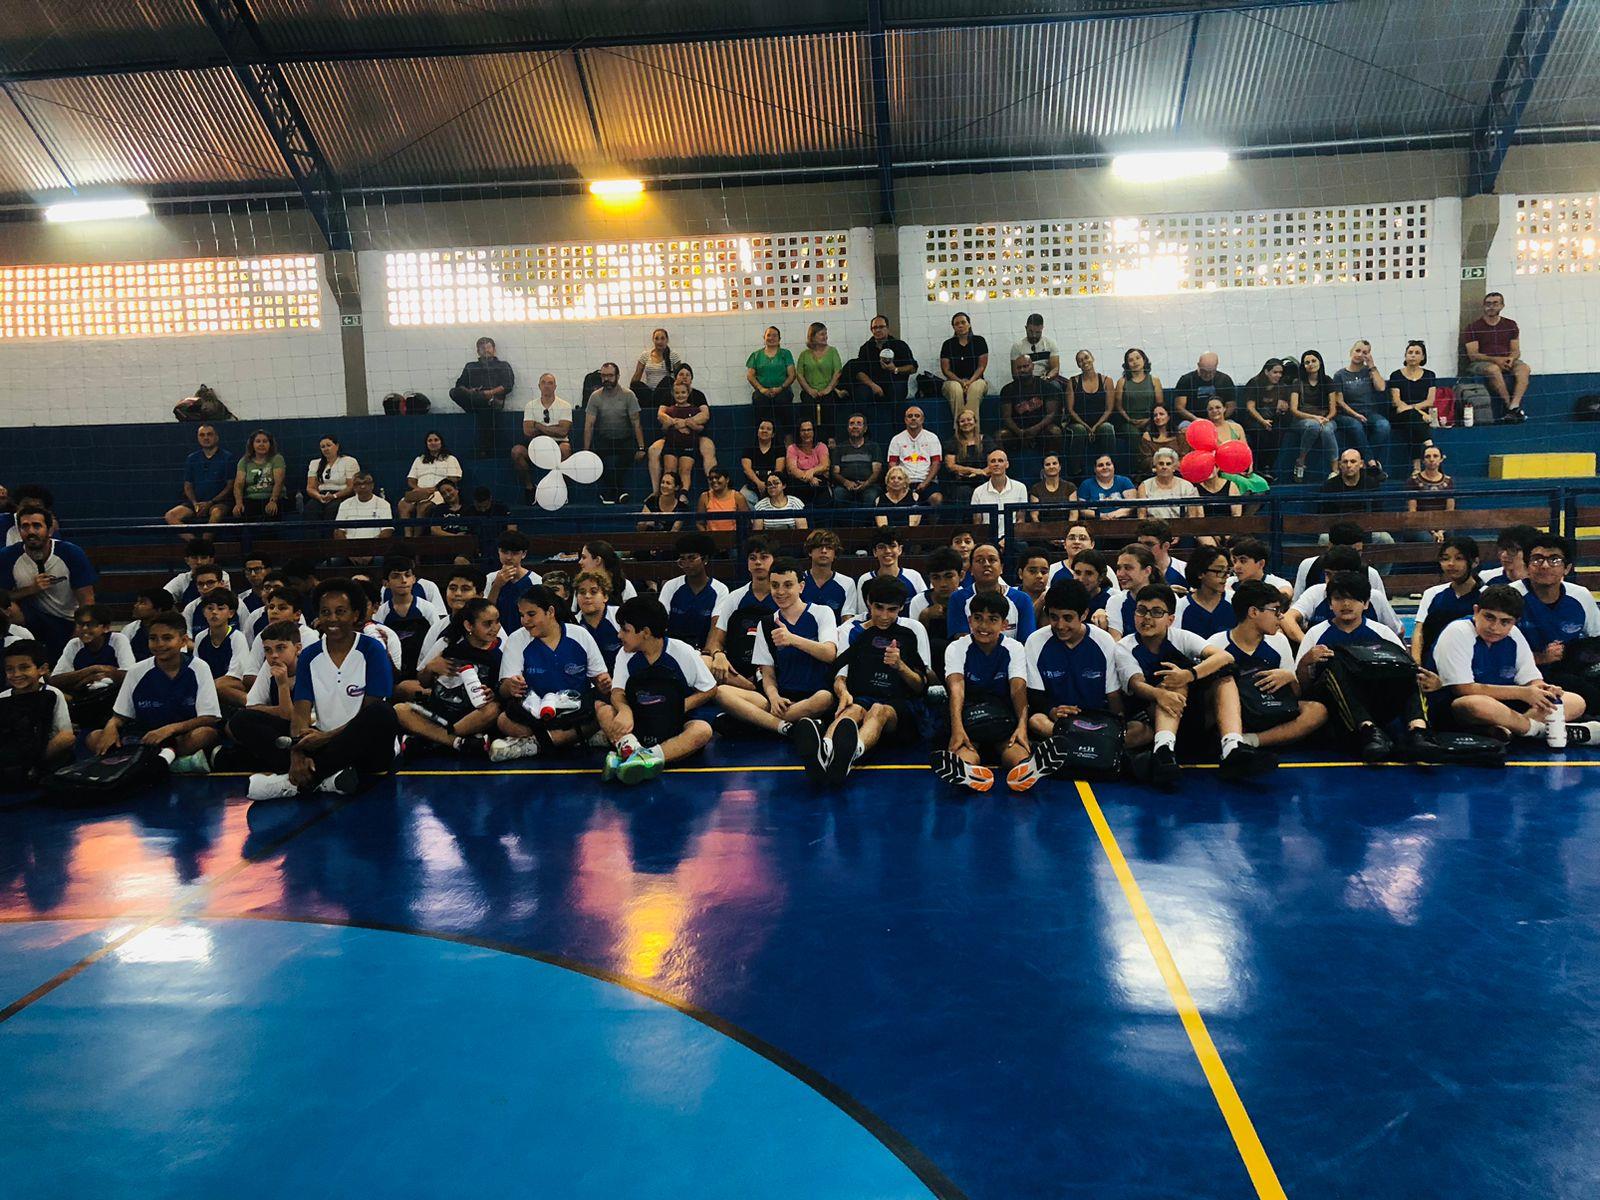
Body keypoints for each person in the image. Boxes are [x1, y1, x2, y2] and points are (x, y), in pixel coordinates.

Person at [246, 579, 399, 798]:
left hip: (368, 748)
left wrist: (326, 737)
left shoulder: (372, 649)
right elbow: (300, 713)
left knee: (383, 713)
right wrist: (298, 751)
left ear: (355, 615)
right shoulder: (309, 655)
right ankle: (327, 779)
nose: (332, 618)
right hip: (322, 743)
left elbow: (369, 713)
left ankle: (294, 783)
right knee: (244, 720)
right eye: (326, 612)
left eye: (340, 611)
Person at [792, 576, 930, 784]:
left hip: (900, 707)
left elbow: (921, 686)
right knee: (852, 710)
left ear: (901, 608)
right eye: (879, 608)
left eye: (892, 610)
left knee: (878, 709)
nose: (884, 616)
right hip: (862, 698)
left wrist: (900, 666)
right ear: (868, 603)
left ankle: (851, 752)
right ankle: (826, 749)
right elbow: (839, 673)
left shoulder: (911, 632)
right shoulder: (853, 631)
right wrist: (843, 694)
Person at [1292, 571, 1438, 760]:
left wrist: (1433, 683)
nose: (1346, 604)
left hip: (1377, 701)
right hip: (1335, 711)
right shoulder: (1316, 634)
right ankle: (1367, 730)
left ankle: (1418, 731)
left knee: (1408, 671)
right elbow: (1303, 688)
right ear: (1330, 604)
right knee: (1335, 662)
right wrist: (1305, 662)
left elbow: (1409, 671)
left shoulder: (1382, 632)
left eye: (1353, 599)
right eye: (1339, 598)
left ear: (1366, 603)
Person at [1433, 585, 1597, 742]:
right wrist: (1522, 693)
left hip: (1508, 708)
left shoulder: (1514, 635)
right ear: (1476, 611)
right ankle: (1543, 731)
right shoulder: (1458, 631)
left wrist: (1545, 690)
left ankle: (1513, 730)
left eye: (1505, 622)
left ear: (1515, 622)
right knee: (1474, 704)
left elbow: (1532, 680)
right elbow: (1463, 689)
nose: (1495, 627)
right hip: (1460, 707)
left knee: (1574, 701)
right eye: (1489, 617)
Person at [1204, 580, 1329, 778]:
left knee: (1317, 710)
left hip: (1269, 709)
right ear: (1253, 612)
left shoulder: (1279, 642)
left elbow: (1295, 695)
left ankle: (1249, 741)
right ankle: (1230, 739)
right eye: (1275, 610)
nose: (1281, 617)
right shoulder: (1216, 643)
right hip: (1237, 713)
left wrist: (1289, 677)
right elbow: (1206, 697)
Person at [1115, 582, 1230, 786]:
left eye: (1156, 612)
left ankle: (1233, 746)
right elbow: (1136, 684)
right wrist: (1160, 694)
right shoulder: (1125, 646)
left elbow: (1224, 657)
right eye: (1141, 610)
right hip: (1154, 714)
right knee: (1170, 680)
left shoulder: (1181, 637)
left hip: (1191, 713)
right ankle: (1163, 750)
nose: (1147, 617)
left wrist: (1189, 675)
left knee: (1226, 676)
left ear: (1170, 619)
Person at [596, 596, 717, 784]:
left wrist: (678, 707)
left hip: (673, 726)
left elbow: (709, 689)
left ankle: (638, 756)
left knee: (702, 730)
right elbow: (617, 692)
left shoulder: (682, 652)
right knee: (603, 710)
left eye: (625, 630)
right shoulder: (624, 655)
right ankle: (634, 750)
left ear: (645, 632)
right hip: (639, 723)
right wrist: (625, 711)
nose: (619, 635)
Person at [933, 590, 1045, 793]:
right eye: (978, 618)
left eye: (992, 619)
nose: (983, 626)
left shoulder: (1014, 648)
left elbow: (1018, 690)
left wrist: (1022, 728)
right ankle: (968, 771)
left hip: (1002, 716)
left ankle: (1024, 770)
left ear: (1004, 624)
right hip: (967, 715)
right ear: (969, 621)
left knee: (1014, 749)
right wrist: (957, 729)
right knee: (965, 748)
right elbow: (956, 690)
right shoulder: (956, 648)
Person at [715, 557, 838, 738]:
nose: (780, 592)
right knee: (721, 692)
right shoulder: (766, 623)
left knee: (824, 698)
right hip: (781, 699)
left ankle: (760, 721)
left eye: (788, 585)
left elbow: (829, 654)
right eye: (775, 585)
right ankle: (788, 727)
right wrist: (774, 698)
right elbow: (768, 674)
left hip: (812, 696)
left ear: (801, 587)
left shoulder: (822, 612)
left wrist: (792, 639)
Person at [88, 611, 221, 773]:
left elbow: (209, 717)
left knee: (205, 734)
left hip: (179, 737)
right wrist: (111, 727)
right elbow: (120, 716)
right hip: (144, 738)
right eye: (153, 638)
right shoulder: (136, 671)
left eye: (167, 638)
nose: (159, 644)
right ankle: (169, 762)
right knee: (94, 737)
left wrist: (170, 729)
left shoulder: (199, 667)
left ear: (183, 640)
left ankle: (141, 762)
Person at [490, 587, 608, 762]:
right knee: (503, 720)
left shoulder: (580, 635)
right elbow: (504, 690)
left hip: (575, 710)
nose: (525, 621)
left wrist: (604, 683)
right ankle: (573, 739)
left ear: (550, 612)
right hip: (536, 713)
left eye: (531, 614)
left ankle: (533, 745)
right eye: (522, 615)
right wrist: (510, 686)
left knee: (602, 710)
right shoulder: (516, 639)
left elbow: (600, 679)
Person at [1023, 578, 1126, 746]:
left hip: (1097, 722)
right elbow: (1036, 696)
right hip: (1058, 722)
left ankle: (1075, 744)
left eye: (1067, 618)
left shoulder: (1104, 641)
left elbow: (1113, 695)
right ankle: (1088, 745)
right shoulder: (1035, 641)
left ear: (1084, 615)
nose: (1060, 625)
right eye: (1054, 617)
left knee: (1140, 731)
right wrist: (1052, 711)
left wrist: (1117, 725)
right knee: (1037, 721)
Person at [1513, 532, 1600, 711]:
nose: (1545, 565)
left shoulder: (1580, 595)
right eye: (1537, 559)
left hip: (1571, 670)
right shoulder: (1511, 596)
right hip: (1522, 676)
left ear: (1567, 568)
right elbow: (1493, 650)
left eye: (1554, 560)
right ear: (1527, 567)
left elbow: (1596, 640)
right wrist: (1541, 657)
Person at [0, 507, 97, 659]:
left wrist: (77, 636)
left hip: (67, 619)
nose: (31, 531)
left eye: (37, 526)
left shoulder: (71, 553)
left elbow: (87, 600)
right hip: (30, 619)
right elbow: (2, 597)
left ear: (50, 530)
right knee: (6, 607)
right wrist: (31, 589)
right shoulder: (7, 556)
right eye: (25, 526)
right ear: (19, 531)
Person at [1283, 546, 1405, 641]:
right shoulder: (1315, 592)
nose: (1331, 580)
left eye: (1337, 575)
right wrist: (1309, 643)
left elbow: (1397, 631)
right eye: (1328, 574)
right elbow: (1287, 618)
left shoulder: (1375, 597)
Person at [703, 538, 778, 692]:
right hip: (739, 672)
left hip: (774, 669)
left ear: (774, 561)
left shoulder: (782, 597)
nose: (758, 562)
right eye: (752, 558)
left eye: (764, 557)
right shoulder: (735, 598)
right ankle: (751, 688)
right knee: (705, 663)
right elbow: (717, 639)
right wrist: (718, 654)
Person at [2, 639, 77, 786]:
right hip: (13, 752)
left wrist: (35, 757)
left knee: (67, 739)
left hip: (45, 751)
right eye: (10, 669)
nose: (16, 674)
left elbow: (65, 735)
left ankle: (29, 768)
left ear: (42, 669)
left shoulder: (53, 693)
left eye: (24, 667)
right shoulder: (2, 698)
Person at [51, 604, 135, 729]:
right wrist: (92, 671)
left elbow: (128, 676)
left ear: (105, 628)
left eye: (90, 624)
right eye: (80, 624)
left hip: (112, 699)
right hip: (83, 698)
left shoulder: (118, 640)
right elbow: (55, 680)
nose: (84, 629)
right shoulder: (74, 644)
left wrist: (80, 679)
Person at [1413, 536, 1482, 669]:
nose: (1451, 564)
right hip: (1433, 666)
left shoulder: (1485, 595)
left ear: (1475, 562)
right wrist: (1417, 663)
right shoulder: (1432, 594)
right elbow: (1419, 631)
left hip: (1471, 666)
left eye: (1459, 558)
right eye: (1445, 559)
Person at [583, 363, 646, 505]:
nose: (606, 379)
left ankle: (610, 494)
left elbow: (636, 422)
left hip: (625, 440)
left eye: (610, 375)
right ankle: (620, 493)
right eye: (604, 376)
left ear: (617, 376)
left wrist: (642, 448)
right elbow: (589, 425)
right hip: (604, 440)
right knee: (599, 462)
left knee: (620, 463)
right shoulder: (595, 397)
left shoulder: (628, 395)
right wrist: (586, 451)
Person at [1462, 292, 1530, 422]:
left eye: (1495, 303)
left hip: (1506, 359)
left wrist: (1511, 359)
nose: (1491, 307)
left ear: (1502, 306)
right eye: (1488, 304)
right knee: (1493, 369)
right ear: (1483, 306)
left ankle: (1515, 405)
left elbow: (1516, 350)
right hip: (1482, 362)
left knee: (1524, 369)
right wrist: (1496, 360)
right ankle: (1510, 407)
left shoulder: (1510, 325)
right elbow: (1473, 355)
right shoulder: (1473, 327)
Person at [948, 543, 1036, 641]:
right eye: (980, 560)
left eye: (992, 560)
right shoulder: (958, 598)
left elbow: (1027, 642)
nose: (986, 564)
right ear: (971, 569)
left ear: (1001, 567)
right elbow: (961, 641)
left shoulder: (1022, 599)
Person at [376, 555, 445, 676]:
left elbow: (437, 641)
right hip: (393, 670)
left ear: (413, 579)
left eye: (407, 575)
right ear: (386, 583)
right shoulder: (381, 613)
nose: (403, 580)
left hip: (422, 669)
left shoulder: (428, 609)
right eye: (396, 576)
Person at [658, 533, 729, 650]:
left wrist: (707, 654)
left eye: (691, 558)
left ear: (705, 559)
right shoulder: (671, 586)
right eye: (682, 559)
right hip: (673, 649)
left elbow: (716, 627)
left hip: (703, 650)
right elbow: (660, 621)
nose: (687, 564)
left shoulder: (720, 589)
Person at [1331, 340, 1390, 478]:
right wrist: (1355, 415)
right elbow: (1339, 401)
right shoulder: (1340, 375)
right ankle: (1372, 463)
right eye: (1357, 351)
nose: (1359, 354)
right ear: (1351, 352)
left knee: (1384, 425)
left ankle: (1364, 462)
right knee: (1356, 425)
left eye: (1365, 352)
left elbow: (1381, 387)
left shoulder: (1369, 372)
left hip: (1369, 412)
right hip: (1347, 414)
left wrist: (1372, 366)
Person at [512, 373, 574, 502]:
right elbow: (528, 431)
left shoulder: (564, 405)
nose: (547, 386)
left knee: (565, 449)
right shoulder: (530, 405)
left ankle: (562, 488)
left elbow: (563, 431)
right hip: (536, 446)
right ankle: (529, 488)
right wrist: (554, 428)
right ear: (539, 386)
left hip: (558, 444)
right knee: (516, 451)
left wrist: (539, 426)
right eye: (544, 383)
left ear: (555, 386)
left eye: (550, 383)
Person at [648, 376, 714, 497]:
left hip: (688, 445)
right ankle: (666, 494)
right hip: (671, 444)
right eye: (677, 393)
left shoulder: (695, 410)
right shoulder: (669, 411)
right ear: (673, 394)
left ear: (688, 393)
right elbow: (664, 429)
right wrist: (670, 424)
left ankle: (683, 494)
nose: (680, 395)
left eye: (683, 392)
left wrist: (690, 424)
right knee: (669, 469)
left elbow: (701, 428)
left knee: (685, 470)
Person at [852, 315, 917, 432]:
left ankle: (899, 433)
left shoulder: (899, 345)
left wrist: (895, 369)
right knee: (860, 392)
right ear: (871, 330)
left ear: (887, 328)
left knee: (896, 391)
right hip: (873, 385)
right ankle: (864, 433)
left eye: (881, 327)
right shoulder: (865, 348)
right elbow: (859, 372)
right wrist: (872, 385)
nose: (878, 330)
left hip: (895, 383)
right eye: (875, 327)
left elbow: (913, 367)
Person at [164, 423, 236, 525]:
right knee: (170, 516)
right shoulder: (192, 459)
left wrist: (210, 502)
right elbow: (188, 485)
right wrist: (195, 504)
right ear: (198, 438)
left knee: (216, 514)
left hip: (219, 502)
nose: (206, 438)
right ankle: (191, 536)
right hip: (196, 503)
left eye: (209, 434)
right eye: (202, 435)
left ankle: (206, 536)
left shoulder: (227, 458)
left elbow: (230, 486)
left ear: (216, 437)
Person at [998, 354, 1064, 460]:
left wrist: (1034, 430)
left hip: (1041, 429)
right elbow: (1006, 417)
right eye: (1019, 367)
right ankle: (1004, 467)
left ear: (1032, 366)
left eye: (1025, 366)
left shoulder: (1047, 386)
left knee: (1055, 432)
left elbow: (1051, 414)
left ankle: (1053, 464)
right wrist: (1019, 432)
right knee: (1000, 436)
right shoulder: (1008, 389)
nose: (1022, 370)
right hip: (1017, 431)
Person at [1287, 350, 1340, 482]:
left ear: (1320, 362)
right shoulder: (1297, 382)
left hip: (1325, 418)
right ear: (1303, 366)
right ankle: (1301, 461)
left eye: (1313, 361)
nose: (1311, 364)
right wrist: (1314, 418)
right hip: (1302, 419)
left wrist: (1326, 419)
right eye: (1307, 362)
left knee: (1327, 429)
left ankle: (1335, 470)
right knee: (1313, 426)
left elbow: (1333, 409)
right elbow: (1293, 409)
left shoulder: (1327, 380)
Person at [1387, 340, 1437, 474]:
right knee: (1412, 417)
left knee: (1413, 423)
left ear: (1423, 357)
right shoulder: (1396, 375)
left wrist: (1417, 411)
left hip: (1418, 417)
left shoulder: (1430, 375)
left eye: (1417, 353)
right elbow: (1397, 403)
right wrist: (1421, 413)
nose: (1413, 355)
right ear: (1405, 356)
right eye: (1410, 352)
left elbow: (1430, 401)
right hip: (1400, 415)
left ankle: (1416, 468)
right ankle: (1429, 445)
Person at [396, 431, 463, 528]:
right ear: (426, 444)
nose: (433, 443)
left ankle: (417, 536)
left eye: (436, 440)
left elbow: (453, 479)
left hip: (438, 492)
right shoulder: (419, 460)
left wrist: (435, 488)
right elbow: (411, 480)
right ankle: (408, 535)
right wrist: (418, 489)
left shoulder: (450, 459)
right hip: (420, 491)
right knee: (403, 505)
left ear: (441, 442)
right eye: (430, 441)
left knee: (422, 507)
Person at [1107, 348, 1163, 463]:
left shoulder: (1154, 380)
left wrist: (1149, 420)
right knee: (1134, 435)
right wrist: (1129, 419)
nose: (1135, 362)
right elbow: (1118, 406)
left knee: (1153, 432)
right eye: (1131, 360)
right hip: (1127, 421)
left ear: (1144, 360)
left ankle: (1156, 464)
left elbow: (1160, 404)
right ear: (1127, 364)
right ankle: (1137, 467)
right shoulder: (1122, 382)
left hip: (1150, 420)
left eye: (1138, 358)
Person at [1240, 358, 1291, 480]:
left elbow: (1282, 407)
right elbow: (1250, 408)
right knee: (1261, 432)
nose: (1278, 375)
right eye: (1275, 372)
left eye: (1280, 373)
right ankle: (1259, 468)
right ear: (1266, 372)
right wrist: (1263, 421)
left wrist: (1283, 408)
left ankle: (1269, 467)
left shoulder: (1282, 386)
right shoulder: (1254, 383)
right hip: (1254, 419)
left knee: (1279, 431)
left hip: (1272, 418)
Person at [796, 321, 846, 440]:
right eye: (822, 334)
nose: (825, 337)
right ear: (813, 336)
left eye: (826, 334)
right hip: (810, 391)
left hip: (828, 390)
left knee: (829, 406)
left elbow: (837, 372)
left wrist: (828, 389)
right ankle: (809, 438)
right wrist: (809, 390)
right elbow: (799, 374)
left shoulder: (832, 351)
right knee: (808, 407)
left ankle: (830, 438)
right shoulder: (804, 354)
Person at [939, 311, 990, 425]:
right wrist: (961, 382)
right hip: (953, 381)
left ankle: (972, 429)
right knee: (955, 389)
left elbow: (981, 366)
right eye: (957, 324)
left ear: (969, 324)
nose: (960, 326)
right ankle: (960, 429)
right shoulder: (947, 344)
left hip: (976, 379)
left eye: (963, 322)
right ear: (953, 327)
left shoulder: (979, 341)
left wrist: (970, 382)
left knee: (975, 388)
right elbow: (946, 370)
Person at [1174, 547, 1235, 640]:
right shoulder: (1180, 607)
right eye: (1219, 571)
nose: (1225, 576)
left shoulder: (1235, 600)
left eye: (1227, 571)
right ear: (1200, 573)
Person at [746, 326, 797, 435]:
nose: (771, 338)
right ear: (764, 337)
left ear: (779, 339)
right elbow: (750, 375)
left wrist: (780, 388)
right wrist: (761, 389)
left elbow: (792, 375)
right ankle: (762, 438)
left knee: (785, 407)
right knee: (759, 402)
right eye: (768, 335)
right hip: (762, 392)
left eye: (775, 335)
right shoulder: (756, 355)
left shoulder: (786, 354)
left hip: (783, 391)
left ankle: (788, 439)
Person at [886, 406, 943, 504]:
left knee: (937, 498)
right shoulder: (896, 439)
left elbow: (936, 463)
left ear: (922, 419)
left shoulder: (932, 438)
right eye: (910, 416)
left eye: (917, 416)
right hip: (903, 482)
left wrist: (925, 483)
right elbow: (892, 465)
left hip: (927, 481)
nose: (913, 418)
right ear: (905, 420)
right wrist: (901, 483)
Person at [333, 473, 394, 561]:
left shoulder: (383, 504)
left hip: (375, 549)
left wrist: (371, 553)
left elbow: (387, 532)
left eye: (366, 483)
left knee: (380, 560)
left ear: (372, 485)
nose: (362, 486)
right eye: (358, 484)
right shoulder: (345, 504)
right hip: (349, 549)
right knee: (329, 564)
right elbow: (338, 532)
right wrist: (350, 553)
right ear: (354, 487)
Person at [857, 530, 926, 607]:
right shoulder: (865, 579)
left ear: (900, 549)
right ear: (874, 552)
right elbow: (863, 611)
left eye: (892, 546)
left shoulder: (914, 576)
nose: (887, 551)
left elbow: (924, 606)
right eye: (881, 547)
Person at [451, 335, 514, 414]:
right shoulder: (470, 366)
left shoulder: (503, 365)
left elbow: (508, 385)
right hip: (474, 399)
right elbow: (460, 384)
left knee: (486, 399)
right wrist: (469, 391)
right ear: (478, 351)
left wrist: (489, 393)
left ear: (494, 349)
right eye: (483, 348)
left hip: (494, 401)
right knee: (454, 392)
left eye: (488, 347)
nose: (486, 350)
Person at [572, 571, 622, 672]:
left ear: (605, 596)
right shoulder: (572, 624)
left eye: (593, 592)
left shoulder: (619, 616)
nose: (587, 596)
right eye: (582, 592)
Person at [303, 434, 360, 523]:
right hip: (322, 495)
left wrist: (334, 496)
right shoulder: (315, 463)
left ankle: (331, 532)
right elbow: (310, 488)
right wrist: (319, 496)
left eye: (328, 445)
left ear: (337, 446)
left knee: (332, 509)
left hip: (342, 495)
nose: (326, 449)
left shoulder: (349, 461)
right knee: (310, 508)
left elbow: (351, 487)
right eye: (323, 447)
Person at [231, 429, 286, 521]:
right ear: (252, 444)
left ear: (270, 444)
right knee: (241, 513)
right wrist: (238, 503)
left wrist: (273, 501)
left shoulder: (277, 459)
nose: (261, 444)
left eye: (265, 441)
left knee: (272, 512)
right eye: (258, 441)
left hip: (273, 498)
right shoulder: (244, 461)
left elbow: (279, 482)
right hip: (251, 499)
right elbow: (238, 484)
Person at [970, 449, 1030, 531]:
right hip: (987, 537)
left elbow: (1020, 520)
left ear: (1007, 464)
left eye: (1000, 461)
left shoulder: (1020, 488)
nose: (996, 464)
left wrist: (1008, 537)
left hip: (1012, 536)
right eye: (993, 461)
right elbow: (977, 524)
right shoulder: (978, 491)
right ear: (988, 466)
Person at [830, 412, 883, 505]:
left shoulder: (874, 446)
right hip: (845, 486)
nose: (855, 426)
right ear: (848, 428)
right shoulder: (840, 448)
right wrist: (846, 482)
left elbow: (877, 472)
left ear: (865, 428)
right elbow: (835, 472)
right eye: (851, 424)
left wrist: (865, 484)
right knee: (838, 494)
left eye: (859, 423)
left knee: (871, 496)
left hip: (869, 486)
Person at [1171, 352, 1237, 426]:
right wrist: (1196, 420)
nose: (1207, 375)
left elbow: (1231, 406)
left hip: (1220, 418)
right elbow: (1179, 407)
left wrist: (1219, 419)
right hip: (1191, 419)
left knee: (1233, 427)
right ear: (1198, 365)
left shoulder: (1225, 380)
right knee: (1185, 428)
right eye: (1204, 371)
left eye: (1211, 372)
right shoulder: (1186, 380)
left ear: (1216, 366)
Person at [802, 530, 857, 619]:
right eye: (819, 547)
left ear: (835, 553)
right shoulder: (798, 579)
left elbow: (847, 620)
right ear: (810, 552)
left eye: (829, 547)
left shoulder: (847, 583)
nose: (824, 551)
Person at [942, 408, 992, 505]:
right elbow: (951, 466)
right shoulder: (952, 442)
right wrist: (973, 470)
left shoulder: (986, 440)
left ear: (975, 422)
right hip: (961, 482)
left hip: (983, 479)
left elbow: (993, 462)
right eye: (962, 421)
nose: (966, 423)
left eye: (969, 419)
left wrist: (982, 472)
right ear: (958, 425)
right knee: (963, 492)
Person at [1136, 447, 1201, 520]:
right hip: (1153, 526)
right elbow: (1142, 516)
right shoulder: (1144, 486)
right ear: (1155, 466)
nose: (1164, 467)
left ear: (1174, 467)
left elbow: (1192, 517)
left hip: (1181, 526)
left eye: (1168, 464)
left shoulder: (1187, 486)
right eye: (1161, 463)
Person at [1406, 444, 1453, 542]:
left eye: (1435, 456)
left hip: (1442, 524)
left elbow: (1450, 511)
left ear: (1441, 459)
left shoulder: (1448, 481)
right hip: (1419, 525)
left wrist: (1441, 531)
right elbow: (1413, 511)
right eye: (1428, 456)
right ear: (1423, 460)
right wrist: (1432, 532)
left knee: (1450, 537)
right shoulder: (1413, 481)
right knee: (1427, 538)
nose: (1432, 459)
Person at [164, 537, 228, 606]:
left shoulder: (222, 576)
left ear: (211, 560)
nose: (199, 562)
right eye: (194, 558)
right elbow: (164, 596)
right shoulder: (182, 579)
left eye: (203, 558)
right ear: (187, 560)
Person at [1008, 314, 1063, 394]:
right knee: (1007, 390)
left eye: (1038, 332)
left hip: (1045, 379)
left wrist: (1047, 378)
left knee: (1056, 386)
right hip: (1025, 380)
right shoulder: (1017, 347)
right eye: (1031, 331)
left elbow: (1055, 369)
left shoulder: (1050, 344)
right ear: (1026, 328)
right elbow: (1015, 373)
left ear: (1042, 329)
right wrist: (1029, 381)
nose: (1034, 335)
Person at [1227, 538, 1293, 604]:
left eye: (1243, 561)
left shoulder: (1278, 584)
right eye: (1235, 561)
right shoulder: (1228, 582)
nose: (1236, 566)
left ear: (1261, 563)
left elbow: (1286, 594)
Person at [784, 418, 830, 507]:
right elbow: (792, 469)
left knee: (823, 497)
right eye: (803, 430)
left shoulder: (821, 446)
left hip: (819, 481)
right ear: (799, 432)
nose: (806, 433)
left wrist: (812, 471)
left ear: (814, 432)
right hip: (798, 482)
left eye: (809, 430)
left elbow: (825, 465)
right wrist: (809, 478)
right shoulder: (792, 448)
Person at [630, 328, 682, 407]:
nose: (659, 341)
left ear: (667, 340)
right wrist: (630, 392)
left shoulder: (673, 356)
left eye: (662, 338)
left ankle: (652, 405)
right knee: (635, 384)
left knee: (668, 380)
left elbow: (679, 377)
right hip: (648, 392)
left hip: (665, 393)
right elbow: (637, 376)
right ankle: (654, 403)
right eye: (656, 338)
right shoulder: (645, 355)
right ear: (653, 340)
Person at [740, 419, 785, 504]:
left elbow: (778, 470)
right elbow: (747, 469)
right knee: (742, 496)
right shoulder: (749, 448)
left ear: (773, 434)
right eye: (762, 428)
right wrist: (759, 483)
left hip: (773, 486)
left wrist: (768, 485)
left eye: (768, 429)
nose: (764, 431)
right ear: (757, 431)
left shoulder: (779, 448)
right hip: (752, 487)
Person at [1135, 403, 1187, 477]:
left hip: (1177, 473)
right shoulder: (1147, 436)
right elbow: (1144, 460)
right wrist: (1160, 464)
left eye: (1161, 414)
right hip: (1154, 474)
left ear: (1168, 417)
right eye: (1155, 415)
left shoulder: (1179, 435)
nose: (1158, 417)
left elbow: (1184, 456)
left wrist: (1173, 465)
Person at [1134, 520, 1187, 589]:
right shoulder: (1132, 571)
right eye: (1140, 544)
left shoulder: (1184, 569)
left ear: (1166, 546)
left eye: (1149, 544)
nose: (1142, 548)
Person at [1078, 453, 1134, 518]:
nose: (1105, 467)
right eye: (1100, 465)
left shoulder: (1125, 482)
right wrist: (1101, 516)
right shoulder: (1086, 484)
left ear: (1113, 466)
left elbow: (1131, 506)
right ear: (1095, 469)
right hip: (1095, 522)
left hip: (1122, 521)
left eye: (1108, 464)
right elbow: (1082, 510)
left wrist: (1111, 515)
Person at [697, 467, 750, 533]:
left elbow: (746, 521)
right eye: (711, 478)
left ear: (727, 480)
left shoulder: (738, 497)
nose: (714, 480)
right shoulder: (705, 497)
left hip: (733, 537)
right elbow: (699, 523)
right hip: (710, 538)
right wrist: (707, 536)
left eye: (717, 477)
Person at [1029, 453, 1076, 520]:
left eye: (1054, 463)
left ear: (1059, 467)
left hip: (1067, 526)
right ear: (1043, 469)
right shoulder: (1035, 489)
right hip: (1042, 526)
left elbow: (1073, 514)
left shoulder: (1070, 487)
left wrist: (1068, 527)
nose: (1051, 467)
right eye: (1047, 464)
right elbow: (1034, 515)